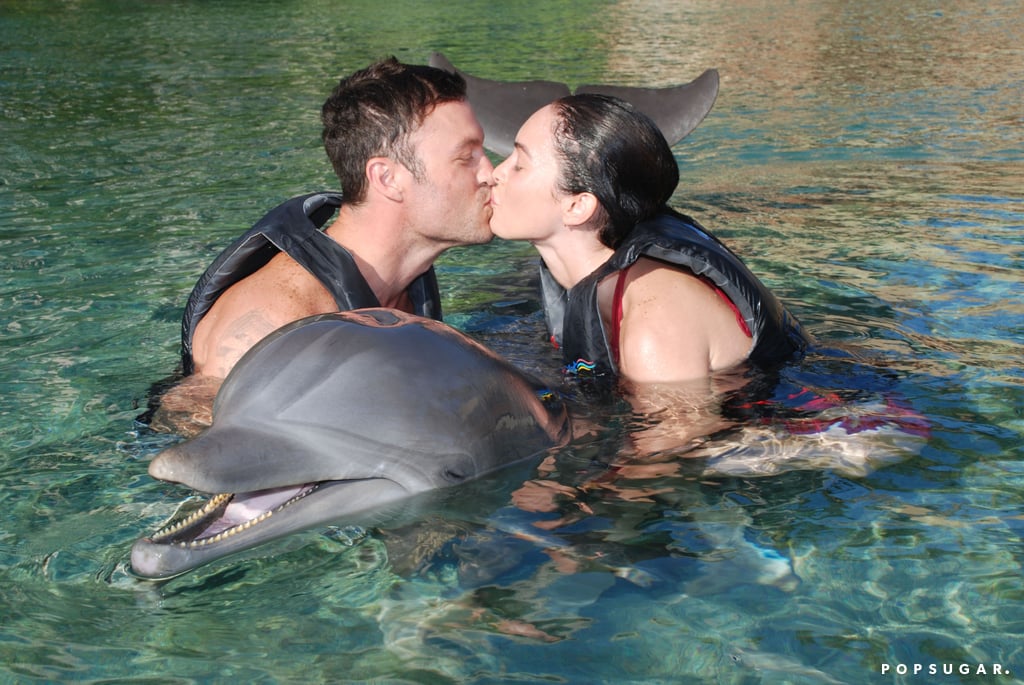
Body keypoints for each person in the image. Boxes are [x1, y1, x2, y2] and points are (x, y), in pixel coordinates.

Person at [150, 57, 494, 434]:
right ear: (388, 178)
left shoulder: (405, 281)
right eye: (467, 157)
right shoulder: (276, 323)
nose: (491, 173)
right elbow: (198, 454)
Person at [489, 93, 807, 392]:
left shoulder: (654, 319)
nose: (494, 174)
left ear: (577, 206)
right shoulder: (602, 281)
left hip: (818, 438)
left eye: (518, 165)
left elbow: (675, 449)